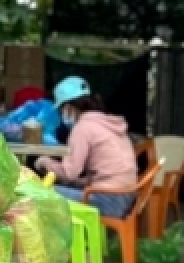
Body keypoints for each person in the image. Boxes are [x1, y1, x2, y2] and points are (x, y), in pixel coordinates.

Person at [37, 76, 138, 217]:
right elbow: (105, 172)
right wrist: (80, 182)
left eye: (61, 110)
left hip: (107, 201)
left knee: (39, 194)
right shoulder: (107, 123)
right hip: (126, 197)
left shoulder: (83, 127)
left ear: (68, 107)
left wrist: (44, 161)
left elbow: (68, 174)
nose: (62, 115)